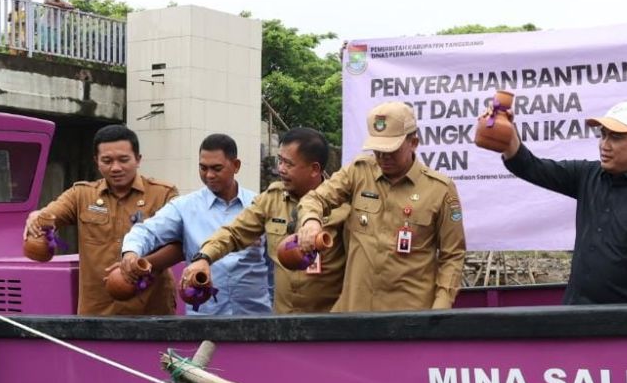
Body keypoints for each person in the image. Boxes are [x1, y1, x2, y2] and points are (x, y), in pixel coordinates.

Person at [490, 100, 627, 308]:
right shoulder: (587, 175)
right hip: (576, 316)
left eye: (616, 137)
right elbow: (531, 167)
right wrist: (509, 136)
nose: (605, 144)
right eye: (603, 135)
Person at [295, 102, 466, 312]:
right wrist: (311, 221)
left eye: (391, 150)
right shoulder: (358, 173)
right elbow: (315, 199)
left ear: (413, 143)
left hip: (410, 316)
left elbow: (452, 256)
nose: (383, 157)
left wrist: (439, 310)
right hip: (355, 312)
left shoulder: (440, 189)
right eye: (377, 150)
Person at [182, 127, 349, 314]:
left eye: (288, 164)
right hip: (284, 323)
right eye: (280, 161)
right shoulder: (272, 199)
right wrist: (204, 257)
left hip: (329, 325)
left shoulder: (343, 208)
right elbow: (234, 233)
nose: (280, 169)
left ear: (314, 169)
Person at [24, 125, 178, 316]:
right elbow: (51, 215)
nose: (115, 168)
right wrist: (37, 219)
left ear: (138, 159)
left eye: (123, 160)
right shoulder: (81, 195)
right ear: (96, 161)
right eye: (107, 160)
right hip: (97, 310)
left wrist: (140, 265)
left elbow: (179, 246)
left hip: (151, 307)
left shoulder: (163, 194)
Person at [120, 134, 272, 316]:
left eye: (217, 168)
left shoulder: (260, 205)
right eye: (203, 168)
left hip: (256, 318)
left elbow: (273, 265)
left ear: (236, 165)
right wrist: (130, 252)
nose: (209, 175)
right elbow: (147, 231)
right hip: (205, 319)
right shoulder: (184, 207)